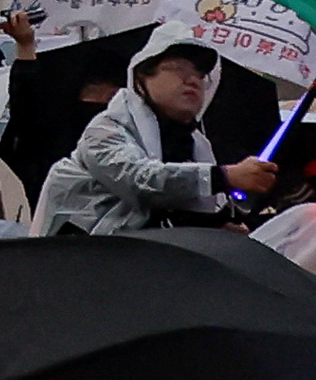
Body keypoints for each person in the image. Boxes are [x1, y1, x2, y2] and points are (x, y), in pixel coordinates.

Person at [35, 33, 283, 238]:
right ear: (142, 78)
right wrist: (225, 176)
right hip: (76, 267)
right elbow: (139, 180)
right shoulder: (107, 129)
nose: (191, 79)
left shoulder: (195, 144)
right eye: (177, 68)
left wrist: (217, 229)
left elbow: (175, 213)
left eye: (200, 74)